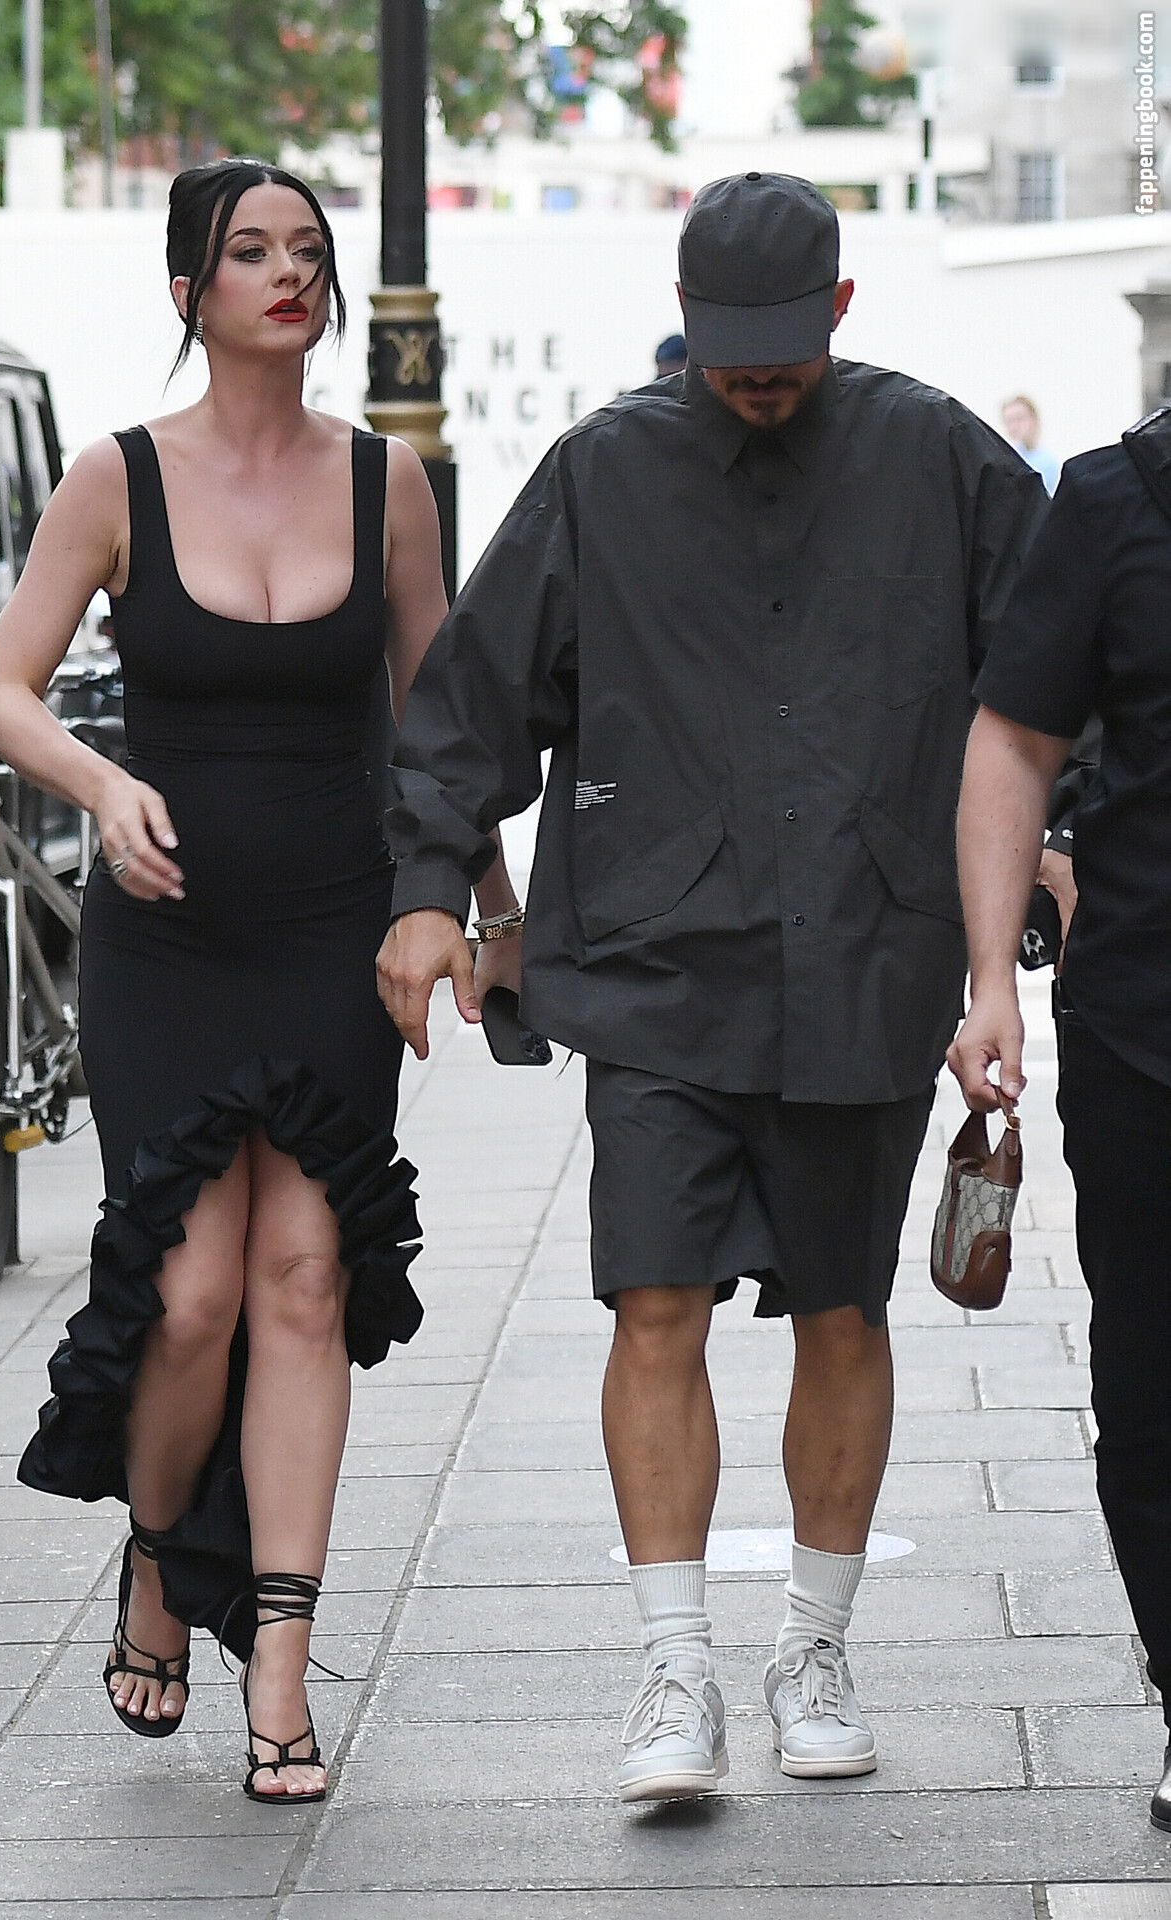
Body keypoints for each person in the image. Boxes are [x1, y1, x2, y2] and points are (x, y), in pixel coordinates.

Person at [377, 171, 1048, 1802]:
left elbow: (1056, 675)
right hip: (656, 960)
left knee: (843, 1306)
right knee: (654, 1299)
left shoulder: (940, 458)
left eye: (787, 339)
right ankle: (674, 1668)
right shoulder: (602, 470)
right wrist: (426, 891)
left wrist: (1057, 855)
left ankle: (814, 1650)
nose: (756, 370)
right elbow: (470, 703)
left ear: (842, 307)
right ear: (684, 312)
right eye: (729, 339)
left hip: (867, 950)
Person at [0, 158, 516, 1802]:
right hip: (171, 938)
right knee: (191, 1292)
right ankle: (157, 1557)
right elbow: (3, 691)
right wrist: (102, 786)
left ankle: (279, 1658)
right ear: (188, 291)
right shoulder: (116, 476)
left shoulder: (387, 483)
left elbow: (439, 723)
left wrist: (483, 909)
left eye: (308, 251)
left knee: (303, 1283)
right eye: (250, 251)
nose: (289, 273)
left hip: (335, 930)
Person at [947, 409, 1171, 1835]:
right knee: (1150, 1390)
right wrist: (991, 982)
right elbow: (1014, 741)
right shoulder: (1112, 499)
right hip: (1147, 1021)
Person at [1001, 394, 1061, 495]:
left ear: (1034, 420)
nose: (1014, 427)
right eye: (1009, 421)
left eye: (1019, 419)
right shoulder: (1004, 459)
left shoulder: (1048, 461)